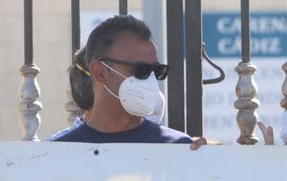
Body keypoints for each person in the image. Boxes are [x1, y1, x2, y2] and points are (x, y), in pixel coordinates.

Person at [48, 15, 192, 144]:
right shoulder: (61, 152)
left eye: (157, 71)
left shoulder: (177, 148)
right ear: (100, 72)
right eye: (141, 70)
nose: (150, 80)